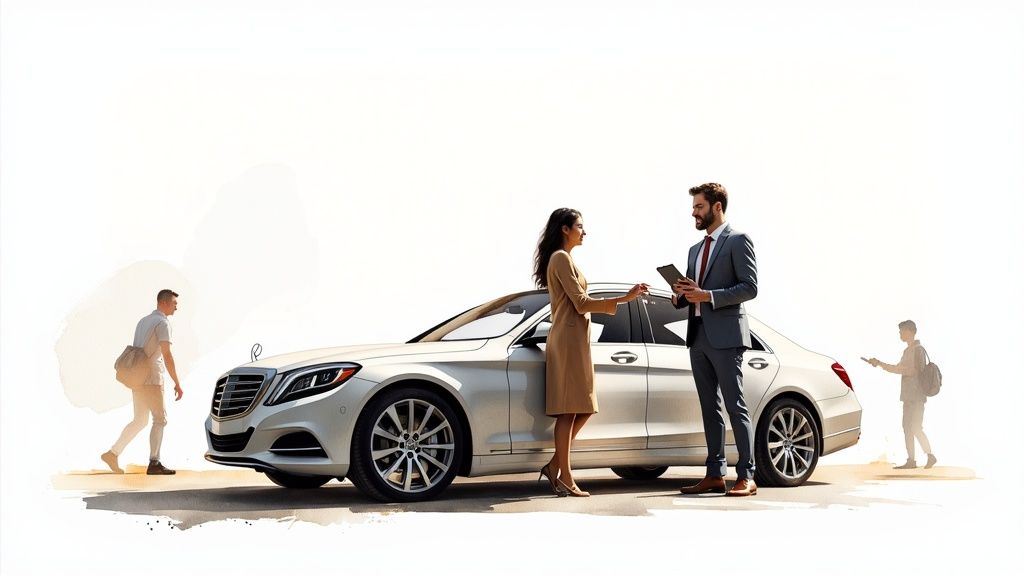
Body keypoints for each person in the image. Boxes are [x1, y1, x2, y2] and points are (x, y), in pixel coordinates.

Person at [533, 208, 648, 497]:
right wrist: (624, 298)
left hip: (576, 342)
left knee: (583, 407)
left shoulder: (565, 259)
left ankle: (554, 466)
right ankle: (565, 477)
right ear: (564, 229)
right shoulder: (560, 258)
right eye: (580, 226)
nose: (585, 232)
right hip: (567, 342)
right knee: (568, 411)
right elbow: (581, 303)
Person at [673, 183, 759, 497]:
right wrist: (680, 297)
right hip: (697, 336)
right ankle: (714, 474)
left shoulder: (738, 241)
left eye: (698, 206)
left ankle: (747, 476)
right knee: (709, 408)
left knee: (736, 407)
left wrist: (706, 295)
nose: (693, 212)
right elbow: (690, 292)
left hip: (726, 336)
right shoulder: (694, 250)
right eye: (694, 207)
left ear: (717, 206)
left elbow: (749, 288)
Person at [101, 289, 184, 475]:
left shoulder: (143, 321)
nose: (176, 307)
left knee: (139, 420)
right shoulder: (162, 323)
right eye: (174, 303)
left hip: (137, 378)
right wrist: (177, 383)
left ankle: (112, 453)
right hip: (152, 379)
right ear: (163, 303)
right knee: (160, 419)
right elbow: (167, 355)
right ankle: (154, 462)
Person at [867, 320, 937, 469]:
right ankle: (917, 459)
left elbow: (913, 370)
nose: (900, 334)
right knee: (910, 427)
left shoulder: (917, 350)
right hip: (910, 396)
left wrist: (885, 365)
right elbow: (900, 368)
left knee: (913, 427)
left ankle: (925, 457)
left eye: (902, 331)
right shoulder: (909, 350)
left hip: (915, 396)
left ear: (910, 332)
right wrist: (879, 363)